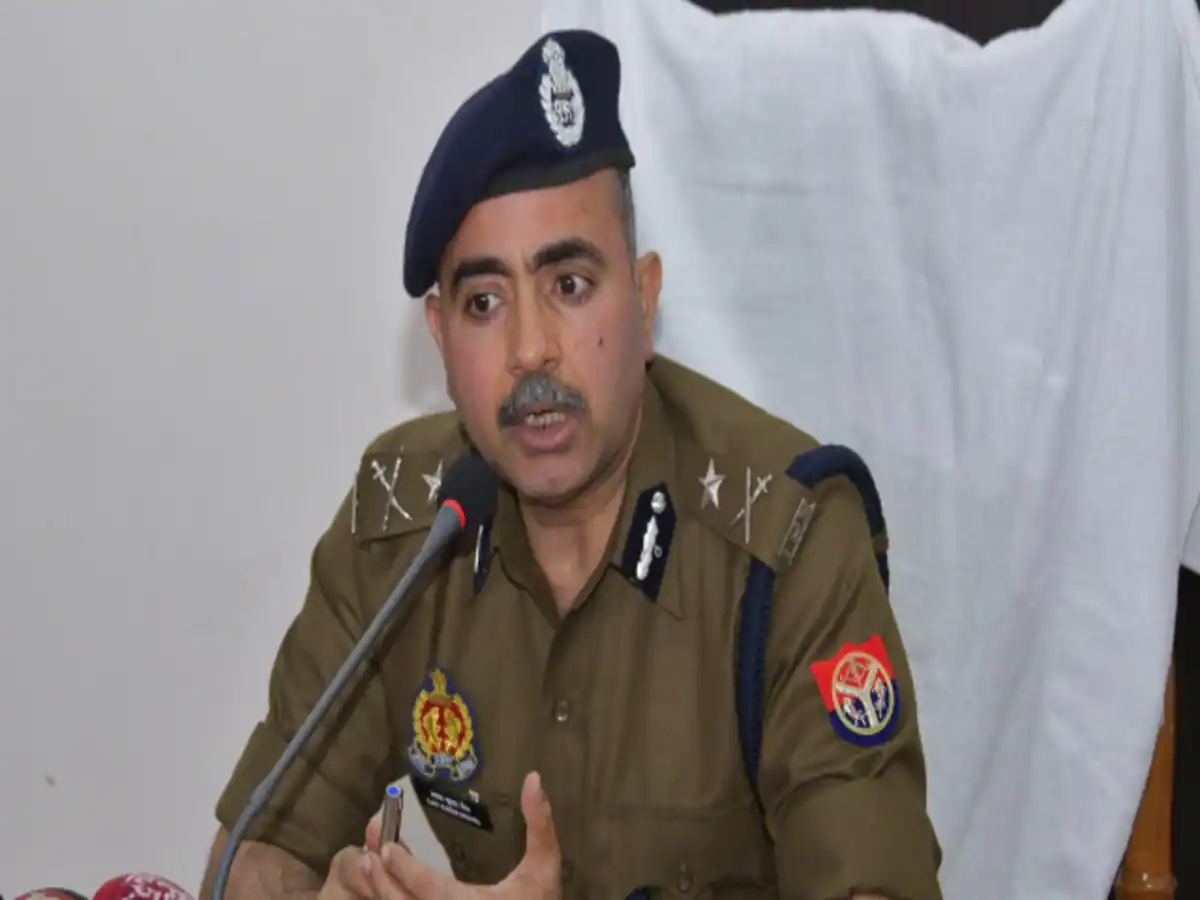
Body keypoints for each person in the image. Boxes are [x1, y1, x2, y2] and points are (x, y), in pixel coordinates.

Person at [199, 28, 942, 900]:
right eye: (485, 303)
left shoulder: (789, 539)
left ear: (646, 299)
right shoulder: (405, 528)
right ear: (441, 339)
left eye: (570, 286)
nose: (531, 350)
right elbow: (253, 853)